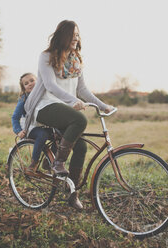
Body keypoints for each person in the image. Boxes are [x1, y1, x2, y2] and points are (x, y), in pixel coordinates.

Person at [23, 20, 113, 210]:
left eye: (78, 35)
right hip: (45, 106)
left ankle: (72, 193)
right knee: (80, 119)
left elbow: (82, 89)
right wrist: (72, 101)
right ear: (62, 36)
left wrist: (103, 106)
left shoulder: (76, 61)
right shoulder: (46, 56)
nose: (76, 38)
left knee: (80, 147)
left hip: (64, 110)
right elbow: (50, 85)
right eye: (72, 34)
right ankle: (58, 162)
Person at [11, 73, 53, 172]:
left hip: (44, 125)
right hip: (30, 126)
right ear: (24, 88)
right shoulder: (24, 98)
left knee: (58, 136)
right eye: (26, 84)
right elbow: (15, 117)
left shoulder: (45, 94)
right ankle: (34, 163)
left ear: (38, 81)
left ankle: (50, 162)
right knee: (42, 134)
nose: (30, 84)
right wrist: (19, 131)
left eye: (32, 80)